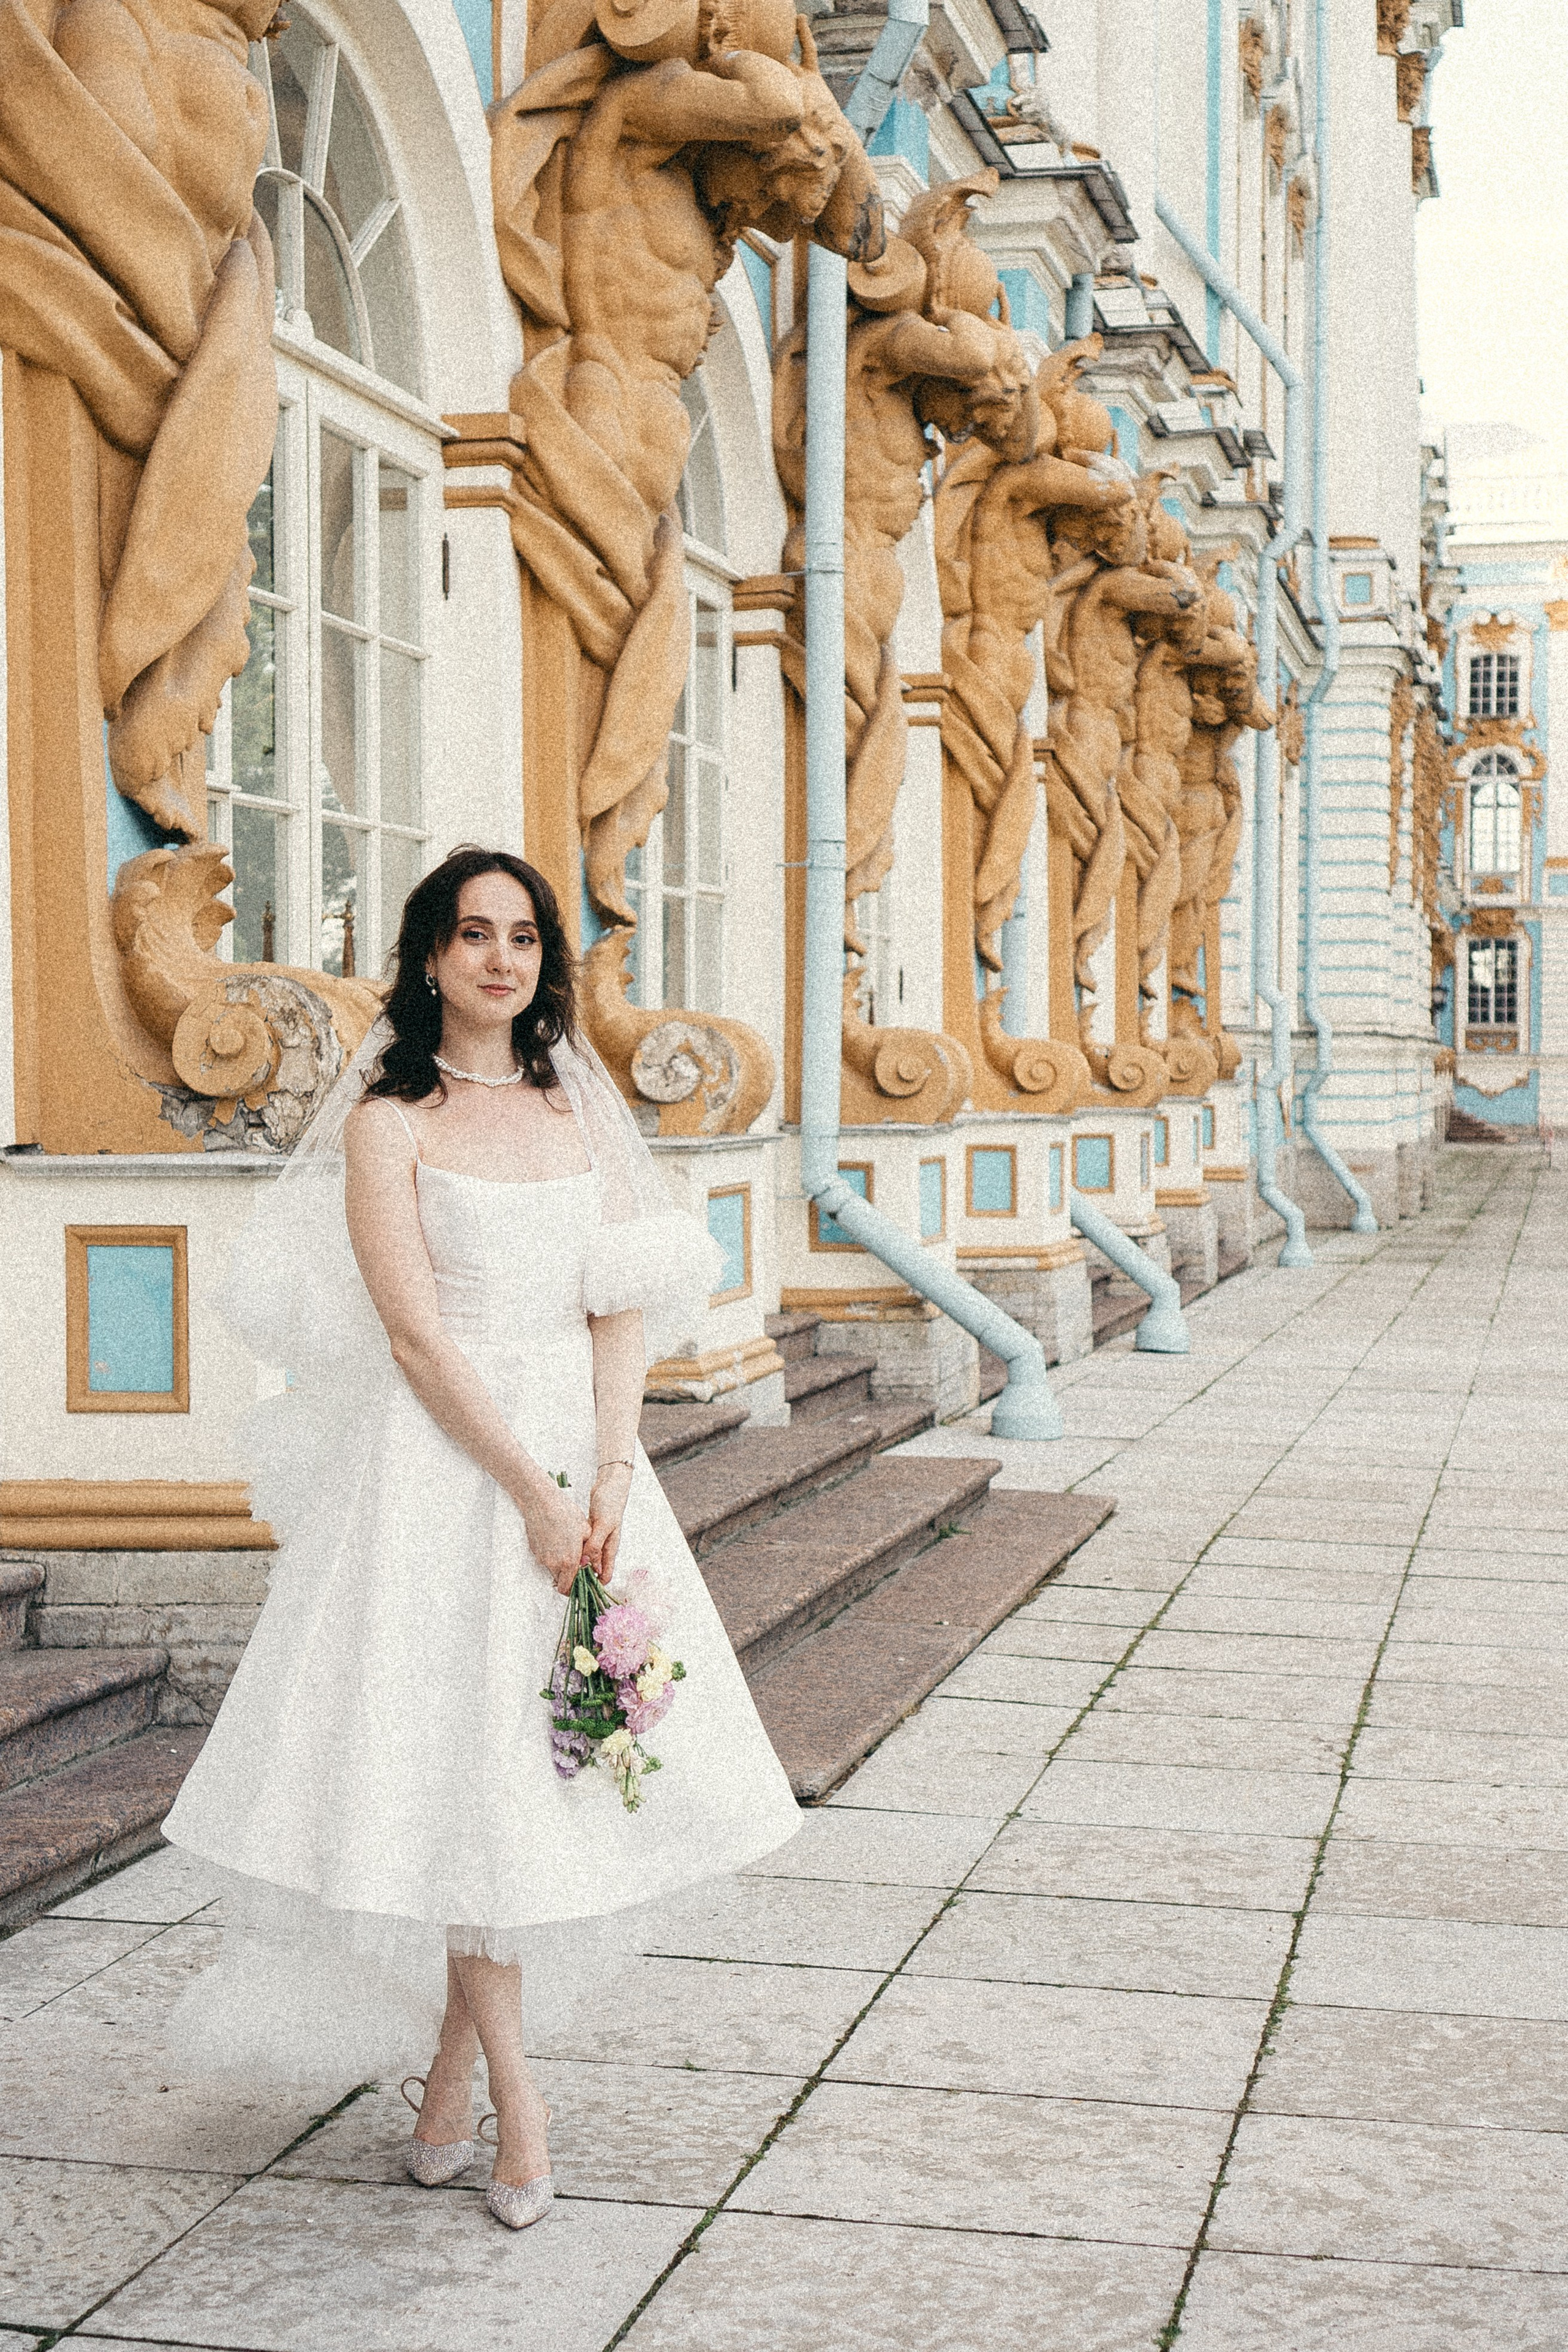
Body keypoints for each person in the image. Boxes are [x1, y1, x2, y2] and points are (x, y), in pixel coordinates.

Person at [162, 845, 802, 2230]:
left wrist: (612, 1471)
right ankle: (523, 2107)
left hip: (582, 1456)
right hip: (445, 1472)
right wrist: (529, 1490)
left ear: (541, 962)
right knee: (460, 1776)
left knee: (521, 1782)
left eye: (520, 936)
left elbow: (617, 1299)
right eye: (470, 934)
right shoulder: (389, 1123)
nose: (499, 959)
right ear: (430, 957)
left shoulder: (579, 1108)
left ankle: (447, 2088)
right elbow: (412, 1334)